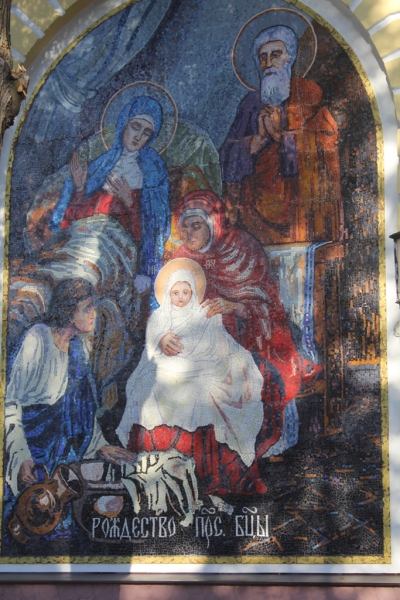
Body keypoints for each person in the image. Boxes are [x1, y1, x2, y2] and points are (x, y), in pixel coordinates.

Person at [172, 190, 322, 460]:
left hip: (248, 334)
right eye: (184, 227)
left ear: (213, 223)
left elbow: (264, 300)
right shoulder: (180, 258)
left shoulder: (241, 246)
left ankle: (233, 450)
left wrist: (233, 306)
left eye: (196, 226)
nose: (189, 234)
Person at [116, 261, 265, 495]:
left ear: (194, 292)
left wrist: (200, 359)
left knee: (201, 390)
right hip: (164, 368)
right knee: (147, 386)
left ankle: (203, 473)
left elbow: (216, 347)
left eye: (185, 292)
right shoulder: (158, 317)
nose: (180, 297)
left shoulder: (205, 315)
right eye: (175, 293)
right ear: (167, 293)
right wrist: (160, 340)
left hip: (201, 368)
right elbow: (150, 351)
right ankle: (155, 468)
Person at [4, 278, 132, 497]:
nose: (94, 314)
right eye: (87, 308)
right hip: (33, 454)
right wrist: (21, 456)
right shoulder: (38, 339)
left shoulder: (77, 348)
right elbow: (11, 403)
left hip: (65, 456)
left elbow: (82, 410)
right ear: (68, 312)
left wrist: (99, 445)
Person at [220, 25, 343, 245]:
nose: (268, 63)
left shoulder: (308, 93)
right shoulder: (250, 104)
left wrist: (281, 136)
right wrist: (255, 143)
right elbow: (226, 155)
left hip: (300, 205)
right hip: (255, 206)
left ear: (289, 58)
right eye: (263, 57)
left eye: (275, 55)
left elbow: (326, 144)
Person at [49, 96, 170, 309]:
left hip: (118, 248)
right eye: (135, 127)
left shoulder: (153, 170)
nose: (138, 136)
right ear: (124, 125)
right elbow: (78, 218)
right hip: (86, 238)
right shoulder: (103, 164)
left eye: (146, 133)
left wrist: (129, 202)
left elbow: (151, 230)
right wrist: (80, 188)